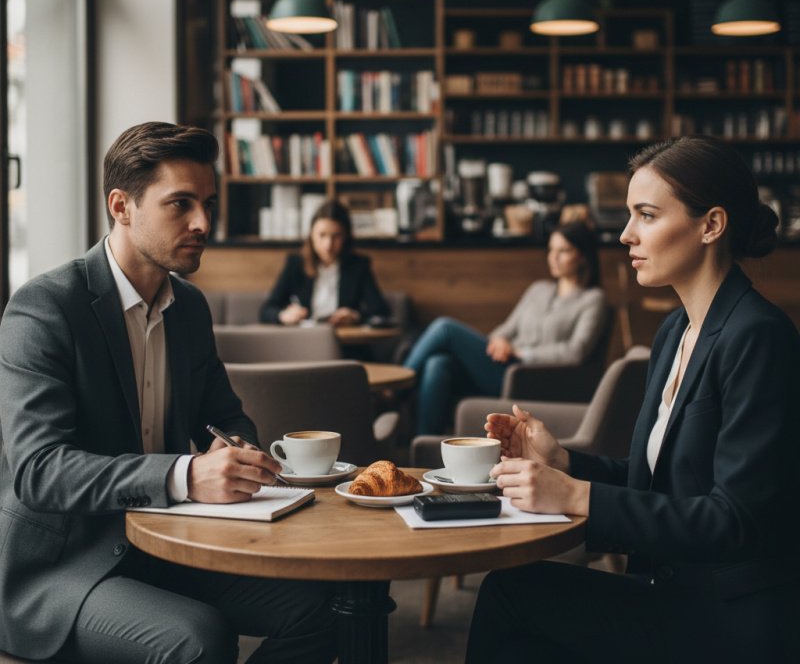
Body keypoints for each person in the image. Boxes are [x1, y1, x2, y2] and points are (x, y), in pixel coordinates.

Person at [0, 122, 337, 664]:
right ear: (121, 206)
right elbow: (39, 471)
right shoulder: (44, 308)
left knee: (332, 605)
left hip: (168, 540)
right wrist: (184, 474)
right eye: (180, 204)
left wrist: (235, 452)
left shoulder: (190, 308)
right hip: (62, 567)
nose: (203, 222)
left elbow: (226, 415)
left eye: (207, 202)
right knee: (198, 636)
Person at [467, 135, 800, 664]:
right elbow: (664, 484)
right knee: (512, 590)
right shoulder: (674, 333)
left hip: (727, 617)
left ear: (711, 225)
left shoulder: (759, 336)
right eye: (629, 215)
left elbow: (734, 521)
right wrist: (564, 463)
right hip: (670, 590)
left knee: (513, 597)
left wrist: (575, 498)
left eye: (646, 215)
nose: (625, 235)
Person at [404, 221, 607, 435]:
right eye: (551, 250)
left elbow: (576, 352)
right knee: (438, 363)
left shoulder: (593, 299)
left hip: (527, 377)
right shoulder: (539, 289)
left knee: (445, 328)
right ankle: (425, 447)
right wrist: (499, 340)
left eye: (563, 251)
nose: (553, 258)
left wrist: (521, 353)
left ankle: (398, 387)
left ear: (583, 255)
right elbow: (505, 329)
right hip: (502, 364)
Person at [259, 198, 390, 327]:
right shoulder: (296, 264)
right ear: (311, 236)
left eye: (336, 236)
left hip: (346, 344)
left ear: (346, 237)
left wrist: (355, 316)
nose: (328, 244)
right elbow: (266, 310)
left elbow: (381, 312)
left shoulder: (358, 266)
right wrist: (284, 315)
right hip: (304, 343)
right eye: (322, 235)